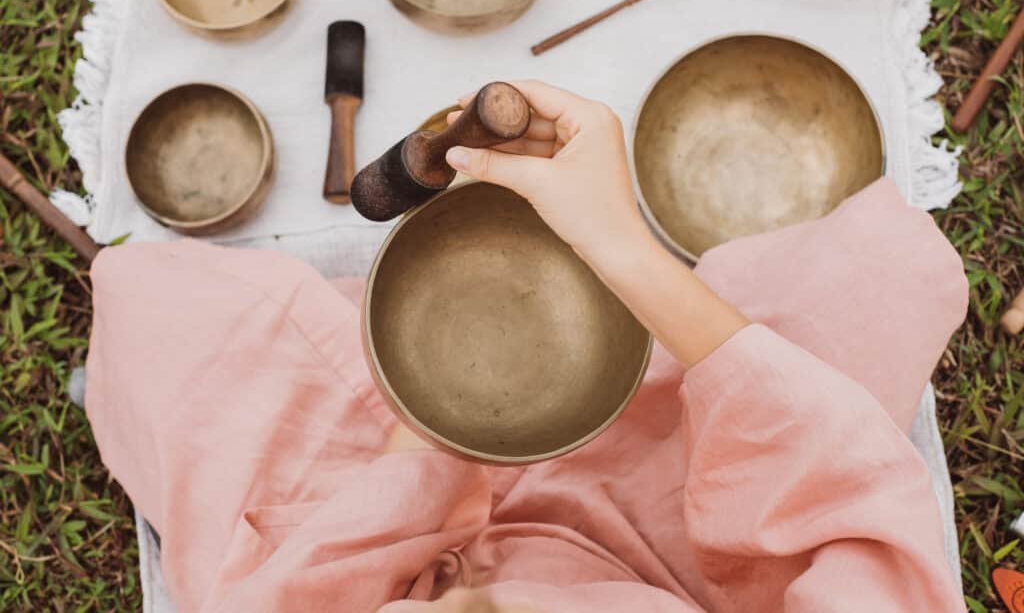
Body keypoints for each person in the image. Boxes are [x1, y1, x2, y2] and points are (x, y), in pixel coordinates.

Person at [85, 81, 968, 612]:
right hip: (686, 538)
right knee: (891, 270)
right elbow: (867, 523)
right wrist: (625, 255)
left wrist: (426, 439)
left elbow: (297, 594)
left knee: (147, 306)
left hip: (389, 533)